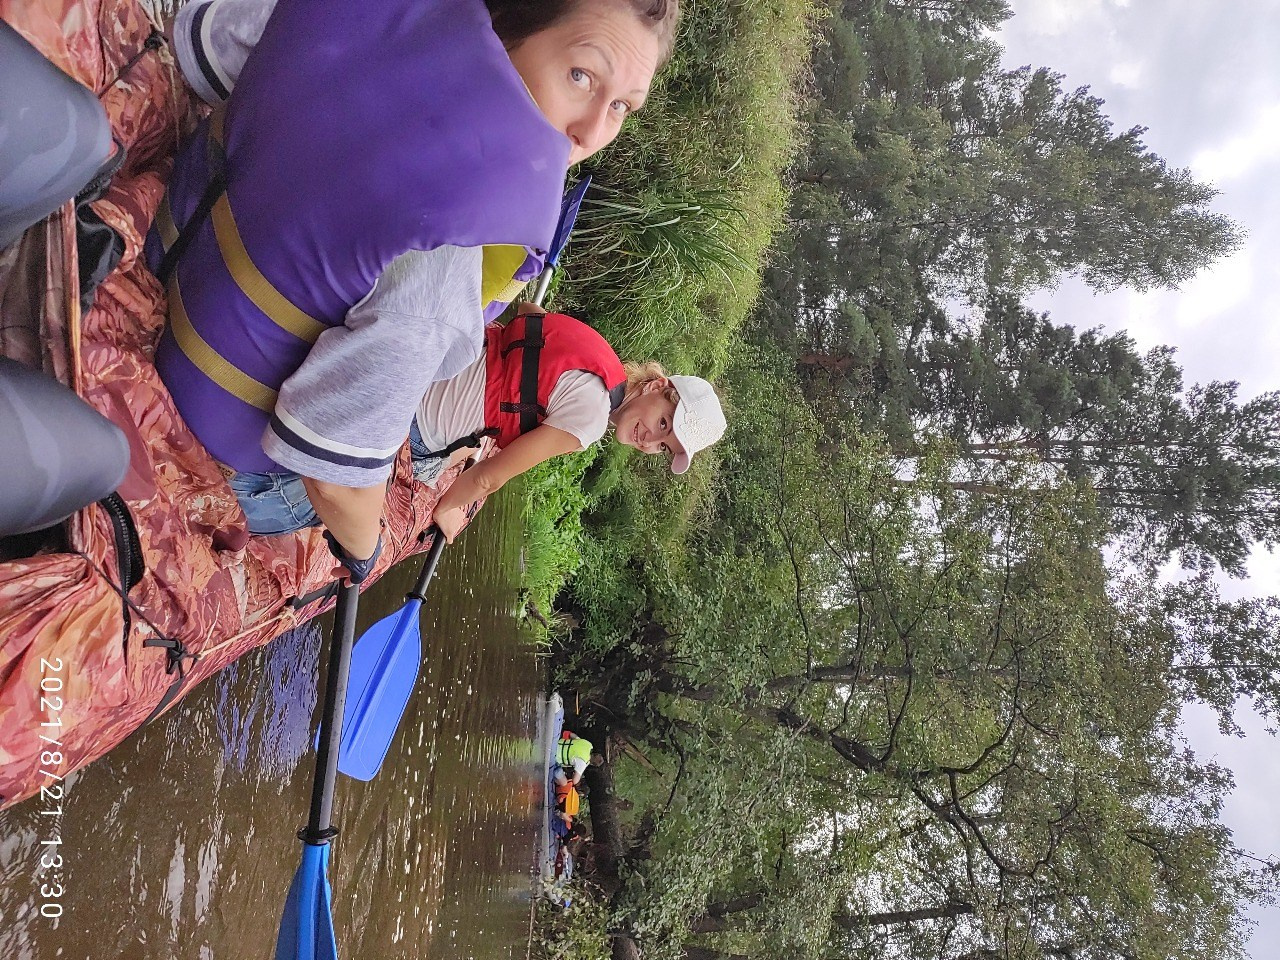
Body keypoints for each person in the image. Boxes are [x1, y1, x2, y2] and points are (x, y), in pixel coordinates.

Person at [147, 0, 680, 582]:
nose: (593, 130)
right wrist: (364, 550)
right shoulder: (443, 268)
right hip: (193, 397)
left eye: (622, 107)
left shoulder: (377, 15)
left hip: (160, 241)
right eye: (581, 76)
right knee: (336, 503)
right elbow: (332, 481)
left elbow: (203, 47)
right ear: (514, 29)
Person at [410, 306, 728, 541]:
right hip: (422, 418)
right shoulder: (590, 419)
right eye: (662, 423)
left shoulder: (602, 355)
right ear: (658, 386)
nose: (648, 441)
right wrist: (447, 510)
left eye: (662, 446)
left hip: (445, 355)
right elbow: (488, 479)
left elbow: (528, 311)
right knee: (432, 475)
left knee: (475, 445)